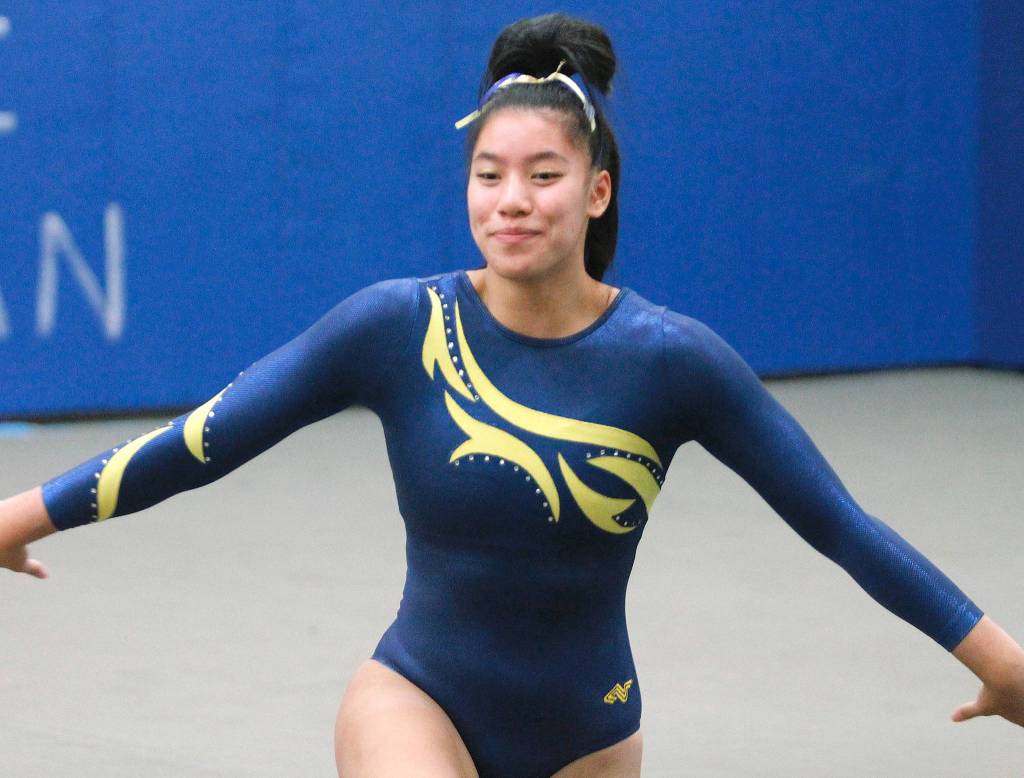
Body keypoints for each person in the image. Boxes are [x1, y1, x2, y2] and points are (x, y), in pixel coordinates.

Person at [2, 12, 1023, 778]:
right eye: (489, 174)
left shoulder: (673, 361)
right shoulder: (395, 326)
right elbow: (204, 440)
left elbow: (839, 526)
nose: (512, 201)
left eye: (542, 174)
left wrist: (1001, 661)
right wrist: (19, 513)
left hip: (591, 729)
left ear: (596, 191)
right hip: (417, 696)